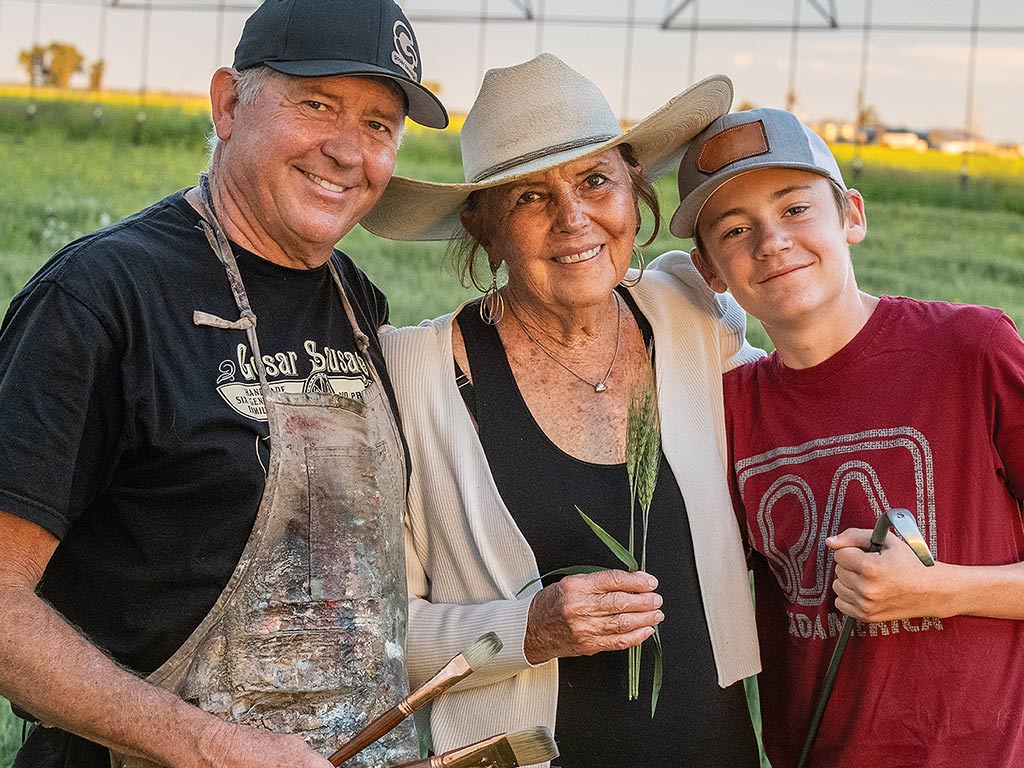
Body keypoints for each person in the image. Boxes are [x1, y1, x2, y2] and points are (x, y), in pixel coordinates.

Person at [0, 1, 448, 766]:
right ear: (229, 103)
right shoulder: (101, 298)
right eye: (318, 105)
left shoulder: (354, 299)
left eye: (379, 125)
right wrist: (205, 744)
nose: (349, 152)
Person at [360, 54, 762, 768]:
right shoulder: (416, 373)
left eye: (595, 181)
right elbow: (383, 631)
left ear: (633, 195)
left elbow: (807, 417)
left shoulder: (690, 315)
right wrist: (529, 628)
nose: (574, 219)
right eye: (529, 198)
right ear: (484, 231)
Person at [671, 107, 1024, 767]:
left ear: (852, 217)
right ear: (710, 269)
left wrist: (940, 588)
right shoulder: (725, 413)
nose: (771, 242)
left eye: (796, 210)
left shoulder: (969, 351)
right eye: (736, 229)